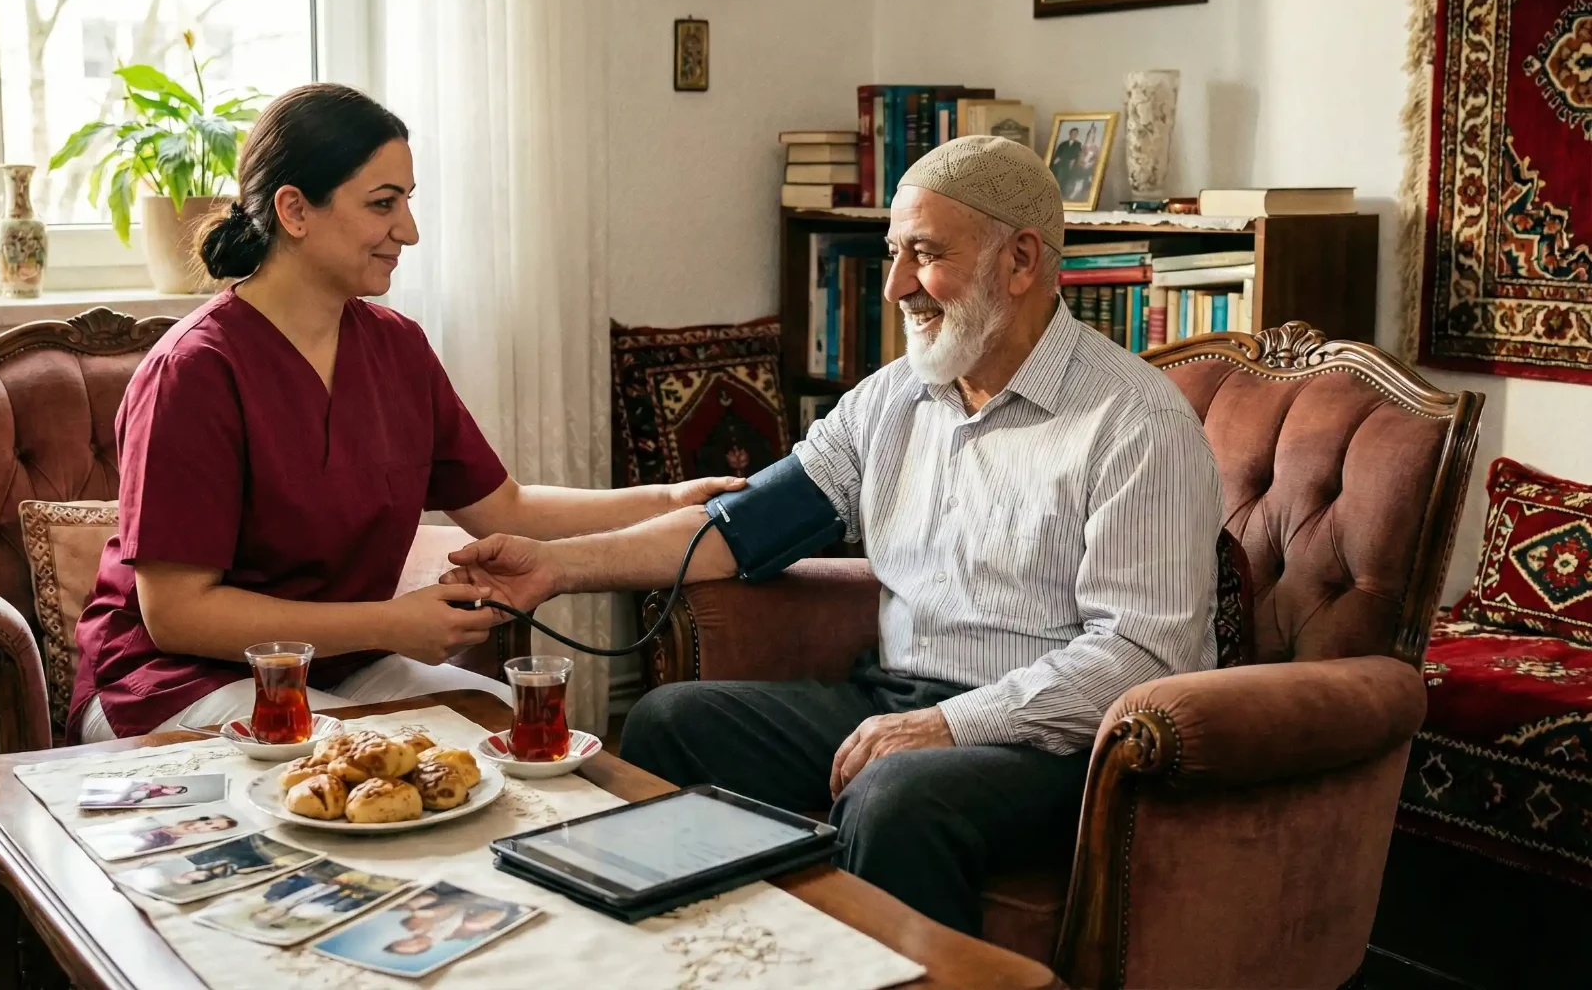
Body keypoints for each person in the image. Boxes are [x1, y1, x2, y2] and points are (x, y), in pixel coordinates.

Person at [444, 136, 1222, 935]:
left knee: (896, 800)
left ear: (1021, 259)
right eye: (892, 253)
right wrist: (553, 566)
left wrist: (950, 725)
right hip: (895, 697)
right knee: (668, 722)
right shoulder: (892, 400)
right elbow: (735, 531)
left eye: (923, 254)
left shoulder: (1136, 423)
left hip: (1059, 746)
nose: (894, 286)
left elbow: (1139, 656)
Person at [69, 84, 741, 742]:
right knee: (341, 763)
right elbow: (177, 615)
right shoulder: (193, 372)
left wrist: (671, 498)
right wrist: (388, 623)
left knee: (509, 729)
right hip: (173, 680)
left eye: (407, 202)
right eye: (382, 204)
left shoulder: (398, 349)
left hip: (338, 667)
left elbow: (506, 508)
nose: (408, 231)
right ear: (295, 210)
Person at [1050, 126, 1089, 200]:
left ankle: (1064, 194)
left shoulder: (1078, 144)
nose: (1074, 135)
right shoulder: (1063, 144)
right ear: (1070, 134)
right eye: (1073, 133)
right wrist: (1055, 161)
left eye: (1075, 134)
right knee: (1059, 177)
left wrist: (1074, 161)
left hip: (1072, 164)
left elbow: (1079, 155)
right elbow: (1058, 154)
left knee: (1067, 179)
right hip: (1062, 163)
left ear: (1077, 135)